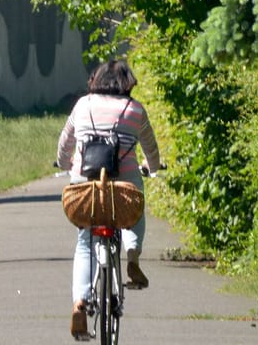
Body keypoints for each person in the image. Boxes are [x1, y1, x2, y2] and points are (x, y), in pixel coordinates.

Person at [56, 59, 163, 341]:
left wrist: (63, 162)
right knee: (135, 207)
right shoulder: (135, 110)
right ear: (127, 83)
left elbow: (65, 142)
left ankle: (80, 302)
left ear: (96, 80)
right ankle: (133, 256)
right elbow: (150, 147)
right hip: (122, 189)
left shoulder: (82, 105)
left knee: (85, 242)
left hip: (85, 188)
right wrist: (152, 168)